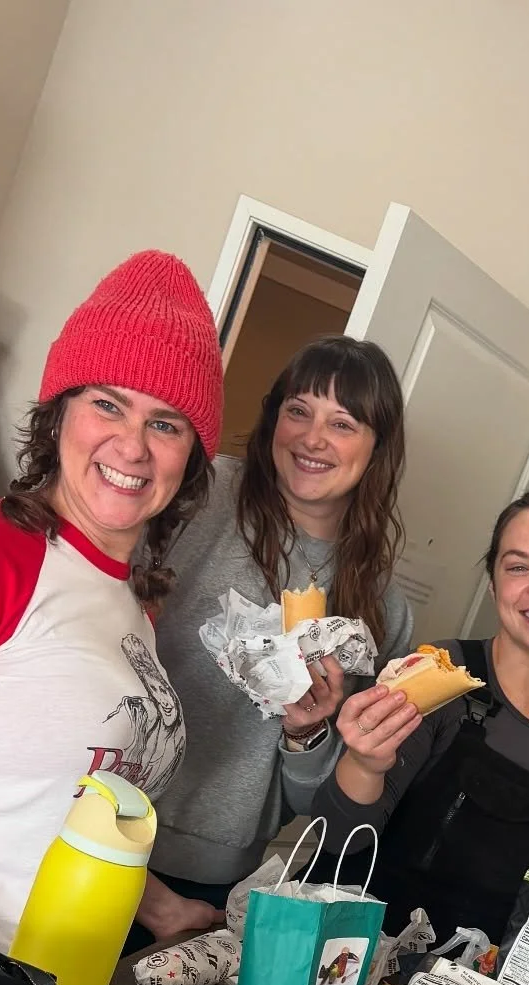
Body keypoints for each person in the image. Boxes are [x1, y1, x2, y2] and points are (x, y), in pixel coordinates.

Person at [0, 251, 222, 951]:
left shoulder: (129, 606)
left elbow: (50, 799)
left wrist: (159, 907)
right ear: (59, 416)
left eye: (166, 424)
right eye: (108, 404)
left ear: (190, 459)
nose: (132, 446)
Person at [141, 337, 411, 939]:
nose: (313, 439)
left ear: (378, 448)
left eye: (342, 423)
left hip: (213, 881)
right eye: (298, 411)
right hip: (91, 823)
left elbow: (319, 805)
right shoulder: (197, 493)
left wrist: (305, 732)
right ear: (273, 417)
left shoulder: (381, 611)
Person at [313, 486, 529, 945]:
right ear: (494, 585)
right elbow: (339, 838)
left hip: (467, 983)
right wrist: (363, 764)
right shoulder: (438, 674)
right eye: (518, 567)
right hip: (347, 957)